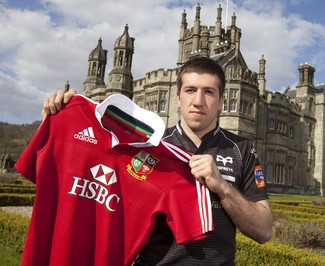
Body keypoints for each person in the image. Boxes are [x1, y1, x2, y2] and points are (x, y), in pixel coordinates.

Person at [43, 56, 273, 265]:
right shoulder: (150, 145)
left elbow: (263, 231)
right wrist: (59, 124)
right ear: (178, 96)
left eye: (209, 92)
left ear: (222, 100)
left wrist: (222, 187)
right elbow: (87, 179)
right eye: (191, 90)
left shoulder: (242, 149)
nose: (198, 101)